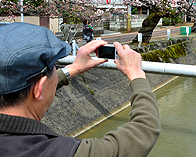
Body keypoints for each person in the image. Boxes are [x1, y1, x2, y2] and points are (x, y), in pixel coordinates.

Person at [0, 23, 161, 157]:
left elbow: (36, 87)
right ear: (39, 88)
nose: (56, 71)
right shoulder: (57, 152)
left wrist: (74, 68)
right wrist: (137, 74)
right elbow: (144, 132)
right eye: (54, 67)